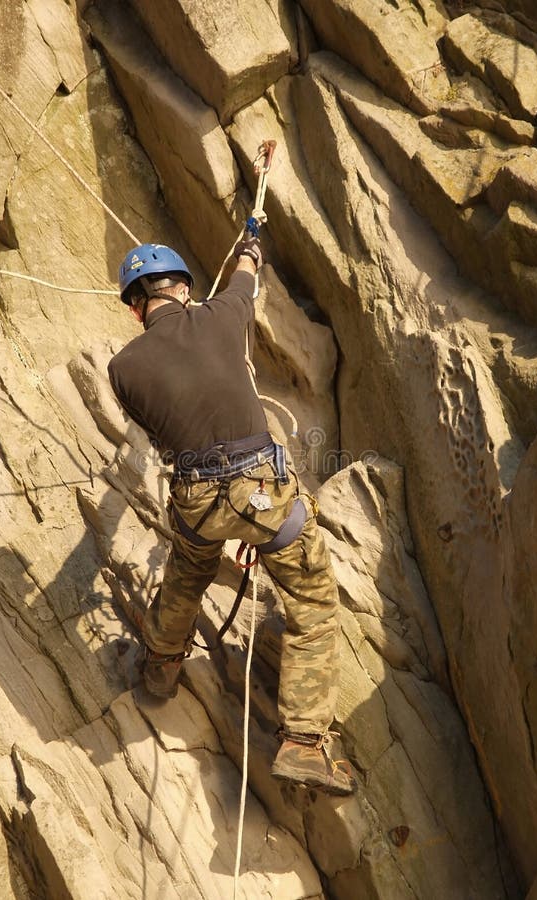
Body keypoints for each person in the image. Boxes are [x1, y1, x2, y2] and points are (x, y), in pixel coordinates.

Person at [107, 240, 355, 795]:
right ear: (185, 289)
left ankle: (161, 668)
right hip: (262, 494)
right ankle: (304, 743)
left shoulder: (122, 368)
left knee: (189, 571)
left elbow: (159, 430)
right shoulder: (223, 313)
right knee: (313, 602)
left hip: (196, 501)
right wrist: (248, 244)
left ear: (133, 308)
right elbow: (246, 274)